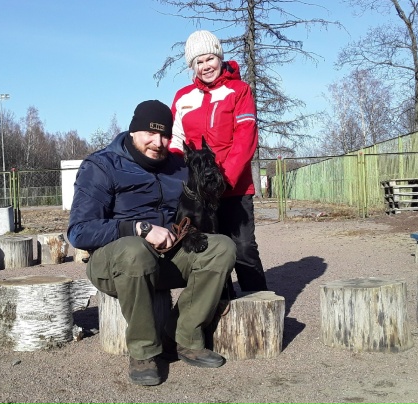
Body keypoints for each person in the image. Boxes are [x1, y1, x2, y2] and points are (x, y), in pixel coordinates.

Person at [67, 100, 236, 386]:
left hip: (165, 257)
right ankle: (144, 352)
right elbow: (79, 231)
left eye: (165, 135)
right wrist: (139, 228)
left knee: (221, 247)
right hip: (115, 262)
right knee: (135, 251)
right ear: (133, 131)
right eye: (150, 133)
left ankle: (181, 337)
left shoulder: (177, 167)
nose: (158, 143)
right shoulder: (102, 165)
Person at [169, 30, 269, 295]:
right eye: (198, 62)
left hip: (233, 188)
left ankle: (259, 301)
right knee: (210, 249)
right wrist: (183, 179)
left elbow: (245, 137)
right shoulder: (182, 97)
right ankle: (220, 303)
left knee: (243, 248)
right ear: (192, 66)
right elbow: (175, 141)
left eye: (210, 58)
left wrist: (225, 179)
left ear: (220, 58)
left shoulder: (239, 90)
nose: (205, 66)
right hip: (198, 193)